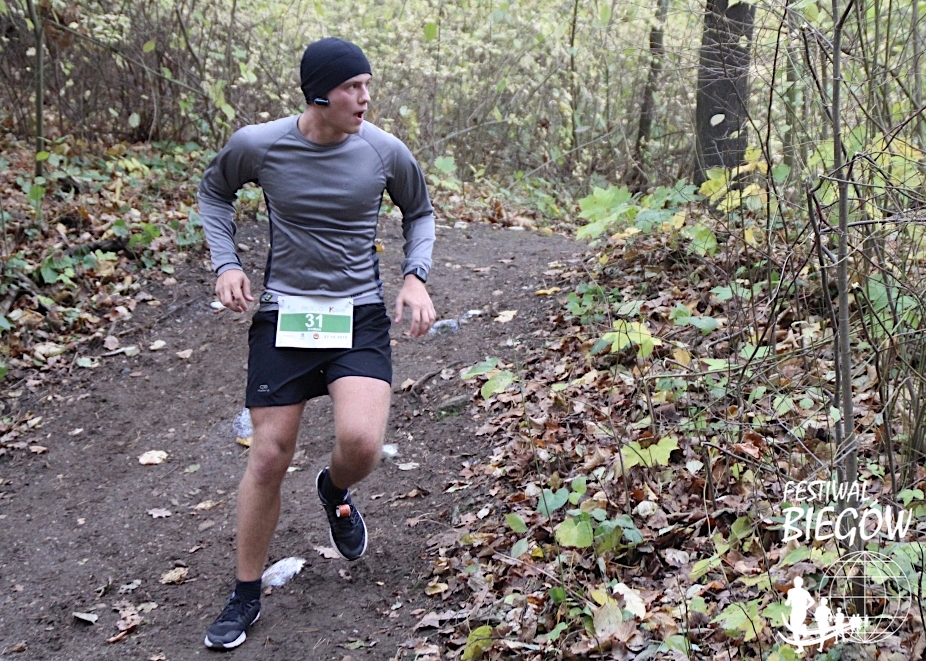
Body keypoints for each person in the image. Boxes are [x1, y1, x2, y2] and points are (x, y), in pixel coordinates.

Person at [196, 37, 436, 650]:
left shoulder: (383, 150)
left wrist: (414, 276)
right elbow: (214, 192)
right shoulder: (259, 144)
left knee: (362, 444)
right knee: (268, 457)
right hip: (286, 315)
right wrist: (226, 263)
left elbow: (420, 211)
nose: (365, 97)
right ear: (318, 95)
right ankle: (245, 592)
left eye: (367, 85)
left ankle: (334, 490)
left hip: (358, 315)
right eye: (352, 87)